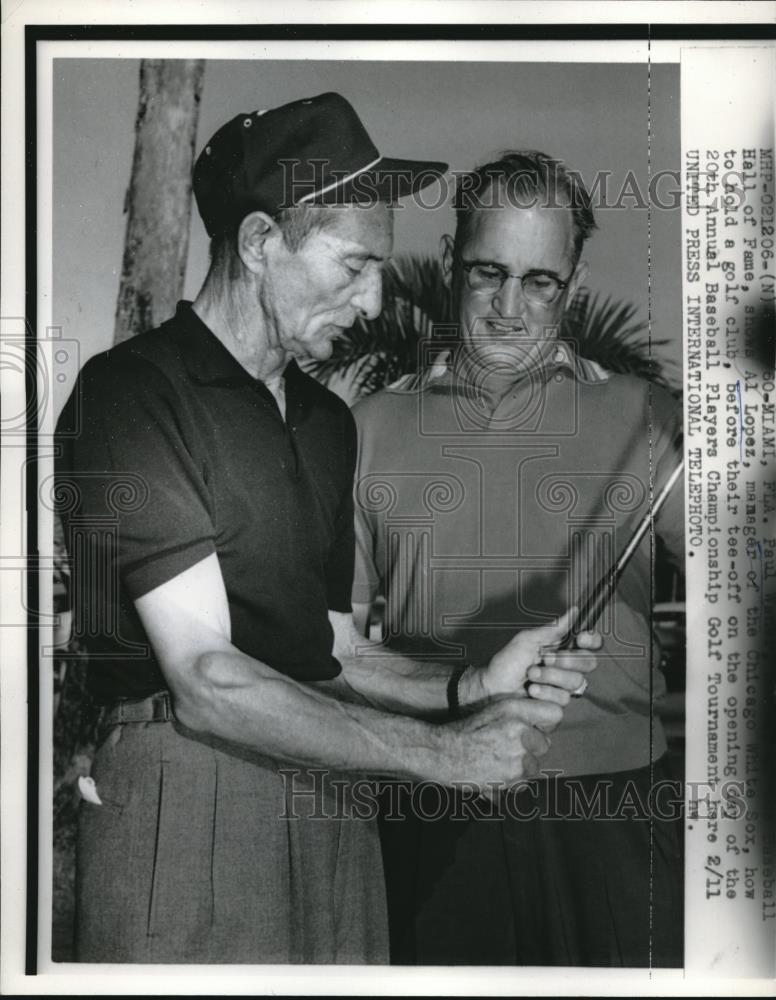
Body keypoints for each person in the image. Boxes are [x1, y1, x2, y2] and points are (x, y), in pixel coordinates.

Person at [55, 98, 599, 964]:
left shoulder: (323, 421)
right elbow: (205, 675)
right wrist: (447, 756)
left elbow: (333, 651)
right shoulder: (130, 394)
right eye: (353, 266)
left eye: (381, 268)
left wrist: (471, 687)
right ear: (263, 239)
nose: (377, 297)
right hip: (190, 785)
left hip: (335, 799)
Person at [352, 150, 685, 967]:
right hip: (434, 807)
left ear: (571, 281)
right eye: (487, 273)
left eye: (541, 282)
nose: (509, 307)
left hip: (615, 818)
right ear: (449, 260)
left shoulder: (651, 415)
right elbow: (335, 648)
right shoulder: (365, 426)